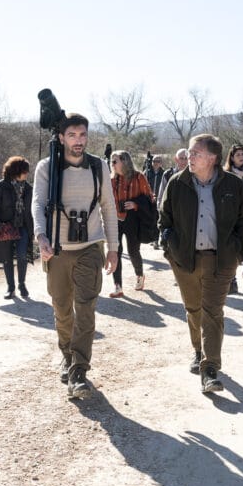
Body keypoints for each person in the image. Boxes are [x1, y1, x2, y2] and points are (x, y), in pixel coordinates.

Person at [33, 112, 119, 399]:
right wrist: (41, 236)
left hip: (90, 247)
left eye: (82, 135)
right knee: (62, 309)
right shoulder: (47, 167)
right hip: (57, 250)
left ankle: (79, 371)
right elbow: (38, 204)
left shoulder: (98, 166)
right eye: (72, 135)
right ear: (61, 138)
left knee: (85, 308)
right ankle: (67, 354)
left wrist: (113, 248)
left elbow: (108, 207)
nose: (78, 140)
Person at [158, 133, 243, 393]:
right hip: (184, 259)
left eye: (195, 153)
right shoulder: (177, 183)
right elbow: (164, 218)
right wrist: (170, 249)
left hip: (220, 260)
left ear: (212, 158)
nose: (189, 157)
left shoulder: (233, 184)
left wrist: (237, 253)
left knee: (212, 311)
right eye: (189, 152)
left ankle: (209, 369)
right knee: (193, 308)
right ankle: (198, 350)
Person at [0, 156, 34, 298]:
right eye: (25, 171)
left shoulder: (29, 188)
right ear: (16, 171)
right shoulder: (1, 186)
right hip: (5, 227)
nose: (27, 173)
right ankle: (11, 288)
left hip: (23, 227)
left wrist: (35, 230)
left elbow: (33, 210)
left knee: (22, 255)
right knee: (7, 257)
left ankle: (22, 284)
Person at [108, 150, 154, 297]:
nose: (112, 164)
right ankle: (118, 286)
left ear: (124, 162)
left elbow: (150, 198)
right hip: (114, 219)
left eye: (115, 161)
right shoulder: (111, 180)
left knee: (133, 250)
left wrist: (136, 204)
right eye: (111, 161)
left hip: (133, 218)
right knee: (116, 251)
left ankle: (139, 275)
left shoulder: (139, 177)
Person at [223, 143, 243, 293]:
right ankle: (232, 278)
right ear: (231, 158)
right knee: (232, 249)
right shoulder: (226, 174)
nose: (241, 157)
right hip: (232, 218)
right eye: (238, 155)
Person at [145, 154, 167, 249]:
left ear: (161, 163)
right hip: (149, 200)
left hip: (160, 200)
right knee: (151, 220)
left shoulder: (165, 174)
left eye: (158, 161)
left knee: (158, 220)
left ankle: (157, 240)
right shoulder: (147, 172)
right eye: (154, 161)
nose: (155, 163)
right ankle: (153, 239)